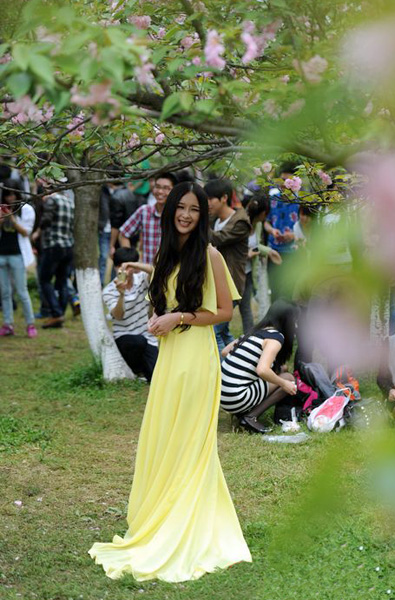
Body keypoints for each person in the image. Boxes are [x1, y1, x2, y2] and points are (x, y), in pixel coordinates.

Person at [89, 182, 251, 582]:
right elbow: (162, 302)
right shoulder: (164, 252)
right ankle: (162, 513)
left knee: (190, 442)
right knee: (166, 436)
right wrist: (150, 308)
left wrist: (177, 317)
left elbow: (224, 312)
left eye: (194, 209)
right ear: (169, 210)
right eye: (181, 207)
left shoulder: (210, 254)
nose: (186, 214)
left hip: (197, 357)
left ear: (203, 215)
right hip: (169, 358)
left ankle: (186, 520)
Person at [220, 300, 298, 433]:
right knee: (288, 378)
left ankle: (242, 412)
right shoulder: (275, 337)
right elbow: (262, 370)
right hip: (236, 398)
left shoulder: (255, 331)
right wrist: (284, 383)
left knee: (282, 370)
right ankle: (250, 417)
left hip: (223, 396)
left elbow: (225, 351)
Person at [205, 178, 250, 355]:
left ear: (224, 198)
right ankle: (245, 364)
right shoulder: (214, 219)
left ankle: (225, 376)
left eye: (210, 199)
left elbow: (217, 239)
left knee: (214, 331)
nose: (207, 203)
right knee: (223, 332)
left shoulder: (240, 221)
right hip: (216, 282)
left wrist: (200, 220)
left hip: (231, 284)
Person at [102, 247, 158, 381]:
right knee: (137, 342)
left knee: (156, 376)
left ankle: (143, 372)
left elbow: (155, 271)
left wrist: (132, 264)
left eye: (128, 267)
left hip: (147, 336)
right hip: (124, 337)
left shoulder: (142, 279)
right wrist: (121, 294)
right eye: (119, 267)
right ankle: (136, 369)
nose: (124, 271)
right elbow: (118, 315)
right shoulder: (109, 290)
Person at [239, 191, 282, 332]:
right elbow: (232, 250)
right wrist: (248, 255)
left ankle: (249, 337)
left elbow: (255, 245)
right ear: (263, 213)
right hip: (236, 272)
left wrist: (268, 251)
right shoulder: (241, 224)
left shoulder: (257, 225)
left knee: (247, 309)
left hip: (249, 271)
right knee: (233, 307)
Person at [0, 179, 37, 337]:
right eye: (7, 196)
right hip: (2, 254)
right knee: (5, 292)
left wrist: (12, 218)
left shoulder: (27, 209)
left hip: (18, 255)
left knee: (22, 291)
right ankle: (8, 324)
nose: (10, 199)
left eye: (12, 195)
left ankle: (30, 324)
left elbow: (26, 232)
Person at [118, 172, 178, 263]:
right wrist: (130, 261)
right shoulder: (144, 211)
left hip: (170, 273)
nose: (160, 191)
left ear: (174, 191)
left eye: (166, 188)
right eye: (157, 187)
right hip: (147, 273)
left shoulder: (178, 216)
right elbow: (123, 234)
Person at [37, 188, 75, 328]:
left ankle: (56, 313)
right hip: (68, 246)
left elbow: (46, 220)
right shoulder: (70, 202)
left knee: (44, 279)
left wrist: (37, 232)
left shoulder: (52, 200)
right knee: (62, 281)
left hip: (53, 245)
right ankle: (60, 314)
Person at [264, 162, 300, 300]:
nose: (284, 184)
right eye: (282, 180)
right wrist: (272, 230)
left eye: (288, 180)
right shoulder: (273, 198)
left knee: (290, 293)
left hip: (293, 252)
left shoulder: (301, 200)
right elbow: (266, 222)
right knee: (275, 291)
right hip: (274, 251)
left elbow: (308, 227)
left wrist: (294, 235)